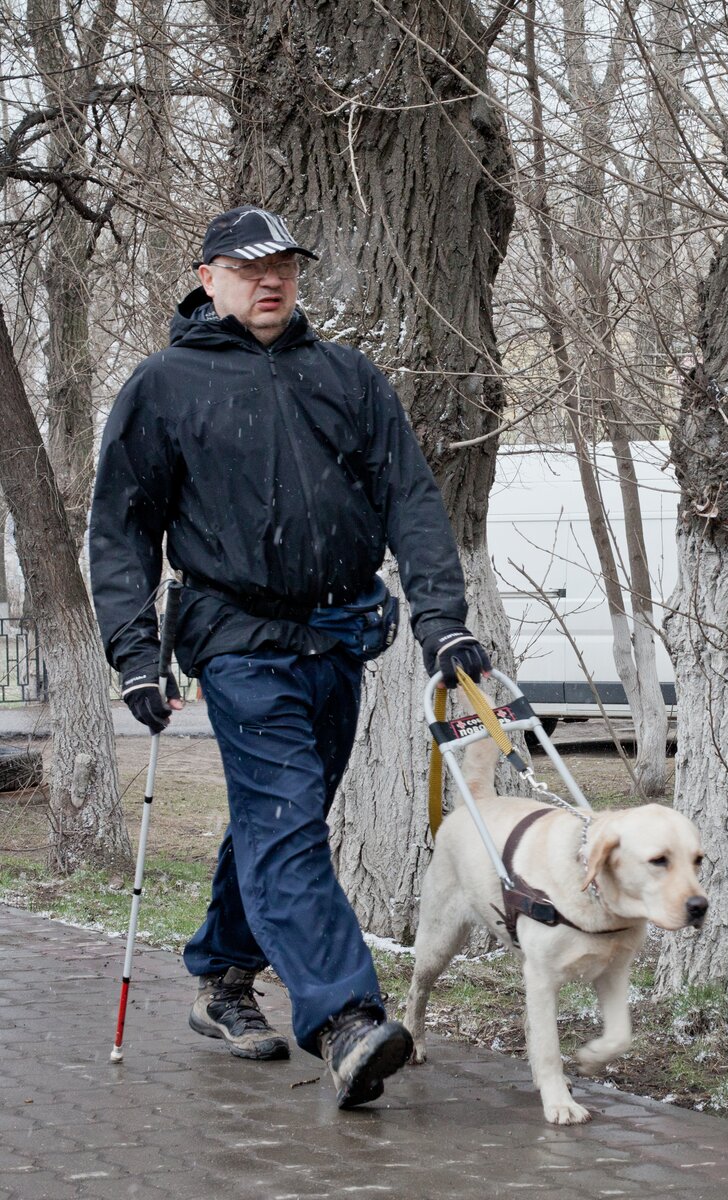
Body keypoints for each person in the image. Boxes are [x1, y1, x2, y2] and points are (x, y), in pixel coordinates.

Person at [89, 205, 491, 1109]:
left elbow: (413, 502)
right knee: (287, 820)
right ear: (208, 277)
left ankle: (223, 974)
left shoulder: (347, 376)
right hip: (235, 637)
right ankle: (346, 1019)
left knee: (285, 818)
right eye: (248, 266)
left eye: (284, 266)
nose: (271, 280)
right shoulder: (164, 385)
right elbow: (120, 531)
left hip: (339, 634)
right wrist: (136, 655)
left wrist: (443, 621)